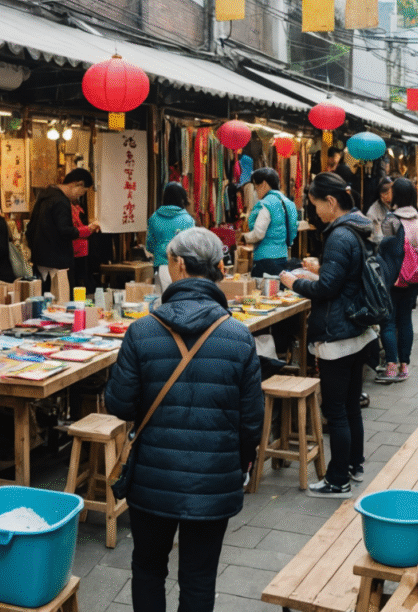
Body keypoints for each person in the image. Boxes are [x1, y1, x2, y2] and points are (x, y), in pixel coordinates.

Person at [105, 227, 263, 612]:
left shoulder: (142, 331)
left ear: (177, 264)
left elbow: (120, 405)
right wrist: (236, 465)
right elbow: (251, 422)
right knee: (198, 576)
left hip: (152, 478)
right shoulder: (237, 336)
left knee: (147, 566)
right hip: (214, 479)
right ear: (217, 267)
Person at [278, 173, 373, 499]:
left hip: (337, 334)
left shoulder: (339, 236)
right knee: (350, 406)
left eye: (316, 204)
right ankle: (353, 466)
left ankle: (337, 481)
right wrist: (319, 270)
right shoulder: (359, 227)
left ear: (331, 202)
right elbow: (343, 278)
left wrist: (294, 283)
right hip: (357, 329)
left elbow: (327, 289)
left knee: (336, 411)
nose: (315, 211)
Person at [375, 178, 418, 383]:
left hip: (393, 276)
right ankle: (405, 365)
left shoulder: (391, 219)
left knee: (388, 321)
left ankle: (390, 365)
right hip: (413, 276)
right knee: (406, 319)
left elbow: (384, 246)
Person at [28, 168, 99, 289]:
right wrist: (88, 230)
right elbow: (65, 230)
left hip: (40, 259)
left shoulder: (44, 196)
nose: (79, 197)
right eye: (82, 192)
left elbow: (30, 227)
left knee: (46, 297)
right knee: (61, 300)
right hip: (57, 261)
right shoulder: (61, 201)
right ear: (78, 184)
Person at [239, 168, 298, 278]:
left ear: (264, 184)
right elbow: (293, 230)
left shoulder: (267, 203)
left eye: (256, 187)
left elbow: (258, 233)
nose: (256, 192)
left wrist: (244, 238)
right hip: (282, 256)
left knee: (261, 293)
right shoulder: (288, 203)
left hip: (264, 260)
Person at [146, 182, 196, 294]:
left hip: (160, 266)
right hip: (182, 267)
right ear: (181, 198)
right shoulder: (188, 220)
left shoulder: (154, 218)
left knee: (162, 300)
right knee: (180, 299)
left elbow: (149, 246)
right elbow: (192, 247)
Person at [70, 198, 95, 293]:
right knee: (80, 280)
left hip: (81, 249)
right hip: (77, 249)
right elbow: (75, 231)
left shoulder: (77, 208)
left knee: (81, 279)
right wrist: (89, 229)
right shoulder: (72, 208)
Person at [365, 177, 393, 244]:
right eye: (392, 191)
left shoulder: (395, 205)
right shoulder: (372, 212)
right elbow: (374, 238)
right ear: (382, 194)